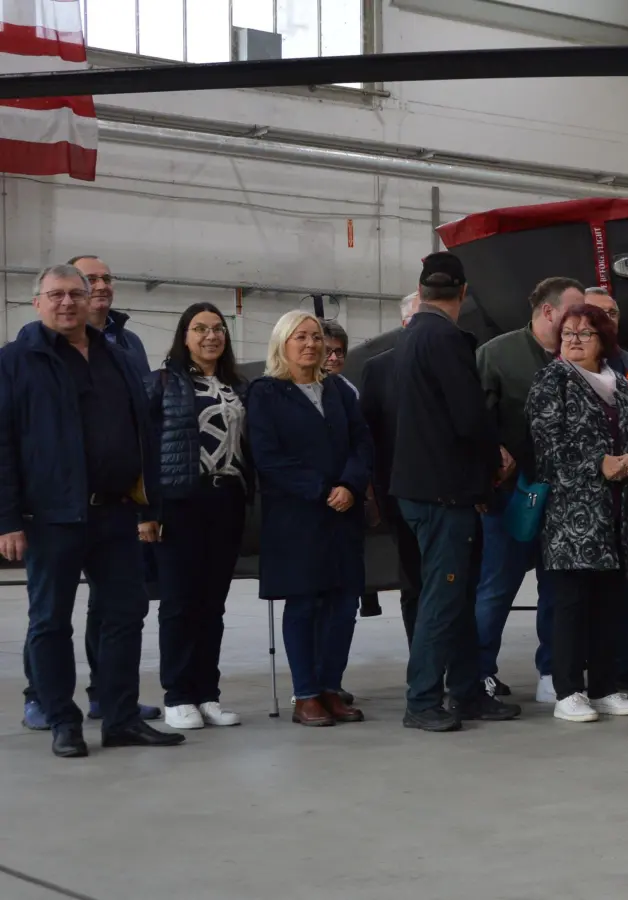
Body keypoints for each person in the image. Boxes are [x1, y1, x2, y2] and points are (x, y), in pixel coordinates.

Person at [1, 264, 177, 757]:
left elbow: (142, 434)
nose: (67, 303)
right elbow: (3, 444)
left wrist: (149, 506)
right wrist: (7, 519)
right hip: (50, 517)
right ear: (36, 303)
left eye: (75, 294)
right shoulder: (15, 361)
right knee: (50, 621)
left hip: (116, 513)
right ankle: (62, 720)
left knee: (125, 614)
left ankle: (120, 717)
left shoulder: (117, 358)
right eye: (55, 295)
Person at [391, 252, 520, 731]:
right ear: (464, 293)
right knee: (443, 601)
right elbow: (468, 417)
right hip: (444, 493)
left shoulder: (411, 337)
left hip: (428, 490)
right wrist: (495, 458)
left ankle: (466, 693)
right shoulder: (446, 339)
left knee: (458, 597)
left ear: (421, 291)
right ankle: (421, 700)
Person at [247, 312, 373, 727]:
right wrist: (322, 490)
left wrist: (350, 486)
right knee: (304, 604)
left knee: (342, 605)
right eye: (300, 337)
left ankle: (330, 688)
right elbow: (268, 457)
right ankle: (305, 694)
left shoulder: (338, 390)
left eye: (316, 337)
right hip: (297, 517)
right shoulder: (266, 393)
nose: (310, 345)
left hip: (344, 514)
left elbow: (362, 444)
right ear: (282, 344)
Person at [525, 303, 628, 722]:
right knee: (571, 603)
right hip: (571, 516)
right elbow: (547, 445)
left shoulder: (618, 382)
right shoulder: (552, 379)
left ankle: (604, 686)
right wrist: (600, 463)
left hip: (618, 514)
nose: (574, 341)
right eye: (568, 334)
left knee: (611, 601)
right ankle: (567, 691)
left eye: (584, 333)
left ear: (603, 340)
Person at [476, 276, 586, 702]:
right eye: (573, 313)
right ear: (548, 312)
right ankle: (479, 671)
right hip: (510, 498)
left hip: (564, 500)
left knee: (557, 589)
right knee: (495, 588)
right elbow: (474, 420)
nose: (581, 323)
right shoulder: (497, 355)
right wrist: (492, 460)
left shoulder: (583, 357)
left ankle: (552, 673)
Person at [146, 303, 252, 729]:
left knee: (213, 605)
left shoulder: (237, 386)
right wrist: (148, 511)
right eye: (200, 329)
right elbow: (145, 449)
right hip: (180, 503)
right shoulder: (163, 384)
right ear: (184, 337)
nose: (211, 336)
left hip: (226, 501)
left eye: (218, 329)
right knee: (179, 603)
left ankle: (207, 693)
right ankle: (177, 693)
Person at [583, 287, 628, 693]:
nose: (607, 319)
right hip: (582, 502)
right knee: (580, 591)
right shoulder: (565, 369)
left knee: (625, 587)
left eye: (612, 312)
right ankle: (563, 672)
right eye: (598, 313)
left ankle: (623, 666)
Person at [360, 293, 424, 643]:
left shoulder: (459, 361)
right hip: (400, 495)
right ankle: (424, 663)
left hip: (450, 496)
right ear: (404, 324)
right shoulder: (378, 368)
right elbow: (369, 435)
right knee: (413, 581)